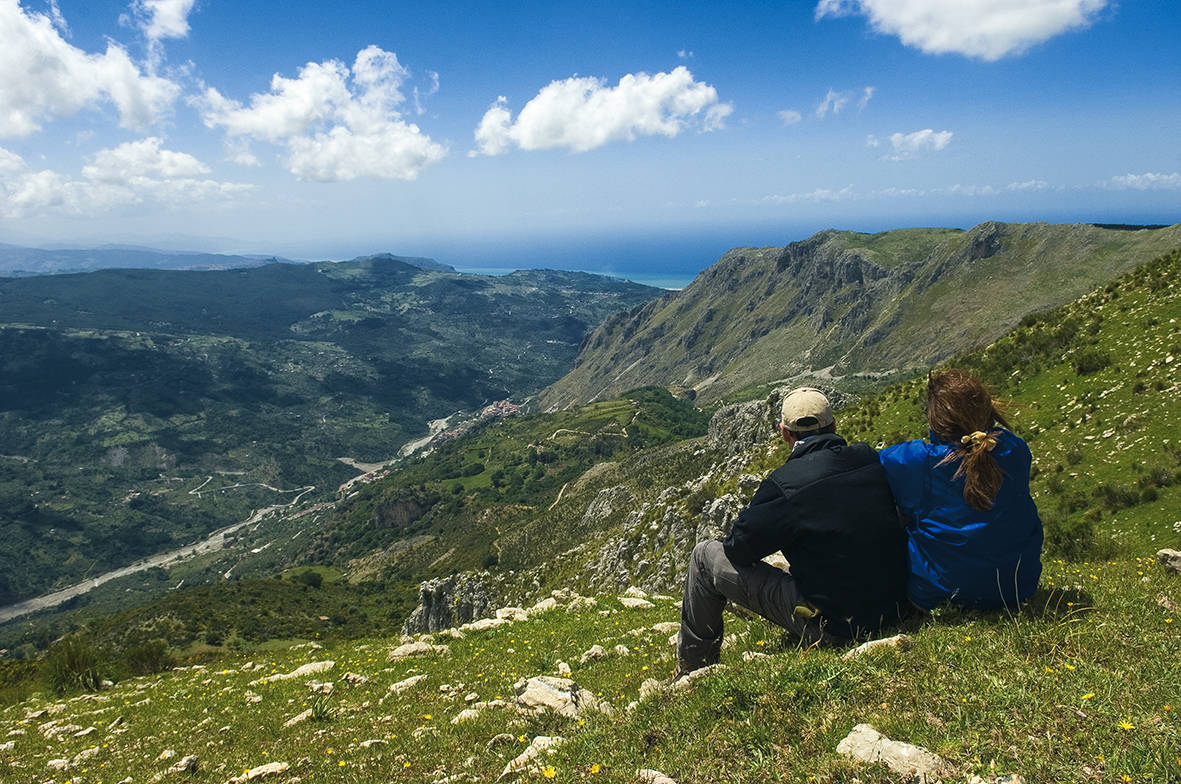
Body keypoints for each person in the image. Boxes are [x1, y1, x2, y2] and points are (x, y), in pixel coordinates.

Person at [676, 387, 911, 675]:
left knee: (704, 557)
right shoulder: (868, 457)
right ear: (834, 425)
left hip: (834, 627)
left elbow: (738, 548)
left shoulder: (785, 484)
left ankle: (693, 667)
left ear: (785, 433)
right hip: (894, 609)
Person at [878, 369, 1043, 611]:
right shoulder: (1015, 449)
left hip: (939, 595)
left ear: (937, 420)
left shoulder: (917, 461)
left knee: (894, 504)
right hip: (1017, 588)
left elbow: (869, 464)